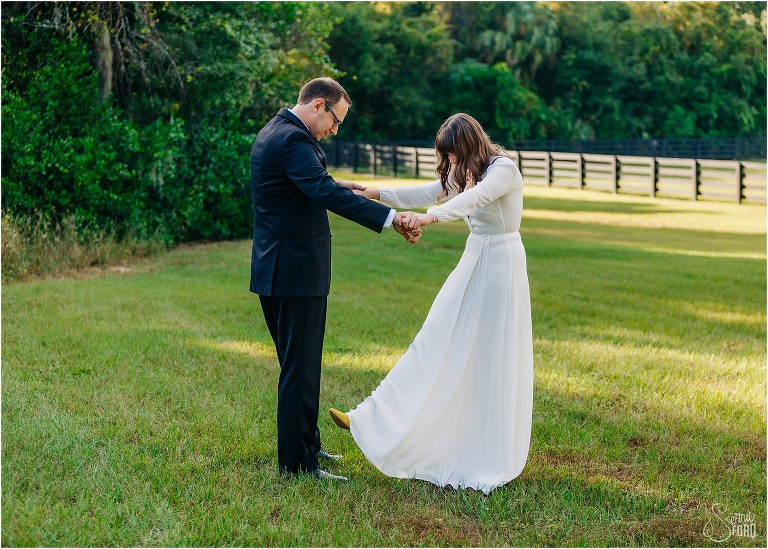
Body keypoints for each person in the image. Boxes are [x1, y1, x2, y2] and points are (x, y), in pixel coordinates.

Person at [329, 113, 533, 494]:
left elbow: (475, 199)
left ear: (470, 146)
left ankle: (478, 446)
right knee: (434, 339)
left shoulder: (502, 169)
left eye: (454, 155)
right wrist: (371, 193)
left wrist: (429, 220)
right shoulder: (464, 172)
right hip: (475, 258)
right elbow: (427, 192)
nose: (450, 163)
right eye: (448, 157)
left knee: (485, 353)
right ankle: (371, 419)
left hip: (501, 265)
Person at [250, 77, 420, 481]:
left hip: (279, 270)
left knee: (301, 365)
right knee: (300, 368)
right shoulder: (293, 140)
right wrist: (391, 217)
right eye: (335, 120)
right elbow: (320, 192)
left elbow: (307, 184)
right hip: (294, 274)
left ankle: (308, 444)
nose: (334, 130)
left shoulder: (277, 131)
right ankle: (297, 465)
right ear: (319, 105)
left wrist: (339, 183)